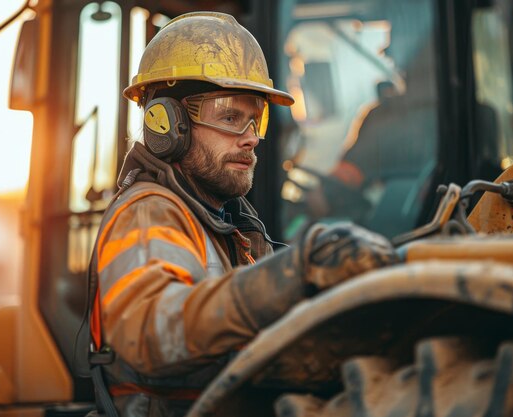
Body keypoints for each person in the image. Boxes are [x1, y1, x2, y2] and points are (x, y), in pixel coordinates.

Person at [87, 11, 398, 417]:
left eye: (256, 119)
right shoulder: (151, 213)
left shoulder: (229, 226)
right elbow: (151, 334)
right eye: (231, 117)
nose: (251, 138)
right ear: (167, 124)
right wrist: (291, 273)